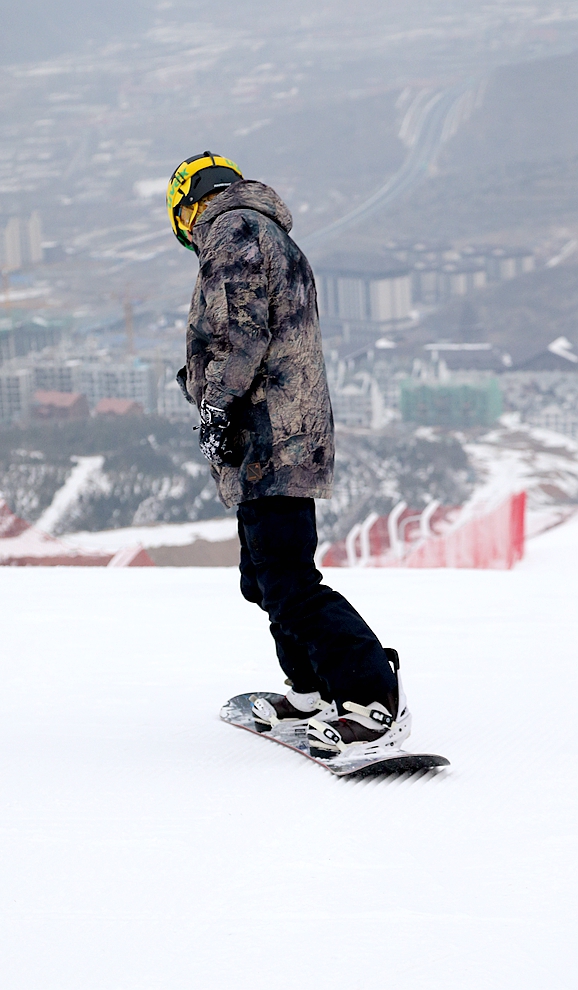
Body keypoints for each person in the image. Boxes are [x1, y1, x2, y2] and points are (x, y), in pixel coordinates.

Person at [166, 152, 411, 760]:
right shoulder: (262, 230)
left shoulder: (235, 229)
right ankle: (311, 690)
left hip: (272, 437)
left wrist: (215, 406)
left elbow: (239, 335)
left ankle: (371, 698)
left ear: (186, 207)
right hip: (279, 432)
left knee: (290, 581)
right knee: (265, 579)